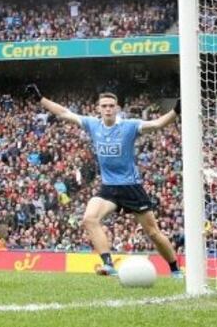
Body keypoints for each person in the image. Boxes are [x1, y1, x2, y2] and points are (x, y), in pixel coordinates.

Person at [27, 84, 183, 278]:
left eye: (111, 105)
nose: (108, 109)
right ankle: (108, 264)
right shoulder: (93, 124)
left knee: (153, 233)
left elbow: (157, 124)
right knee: (89, 219)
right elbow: (65, 113)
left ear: (117, 108)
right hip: (109, 188)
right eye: (104, 106)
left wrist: (176, 111)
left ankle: (175, 269)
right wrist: (40, 99)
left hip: (131, 187)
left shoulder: (129, 126)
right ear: (98, 108)